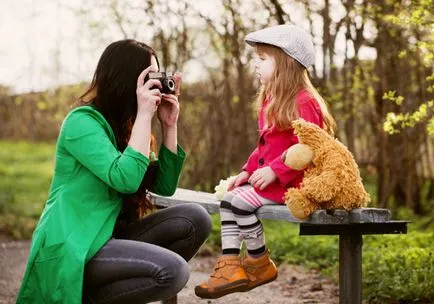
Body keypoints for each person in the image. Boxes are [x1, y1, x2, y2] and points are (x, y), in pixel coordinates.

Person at [16, 39, 212, 304]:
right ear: (127, 80)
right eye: (149, 77)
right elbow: (125, 179)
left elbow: (164, 186)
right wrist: (144, 115)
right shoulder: (81, 123)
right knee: (172, 271)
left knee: (195, 218)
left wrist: (169, 125)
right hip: (78, 247)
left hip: (112, 236)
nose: (156, 84)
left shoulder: (129, 127)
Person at [195, 24, 336, 299]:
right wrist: (248, 171)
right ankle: (231, 266)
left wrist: (275, 170)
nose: (255, 65)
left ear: (286, 63)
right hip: (275, 180)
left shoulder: (305, 101)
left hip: (296, 183)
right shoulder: (270, 99)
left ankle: (259, 261)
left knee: (237, 202)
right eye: (255, 59)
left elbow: (309, 147)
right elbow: (265, 145)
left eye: (262, 59)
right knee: (231, 198)